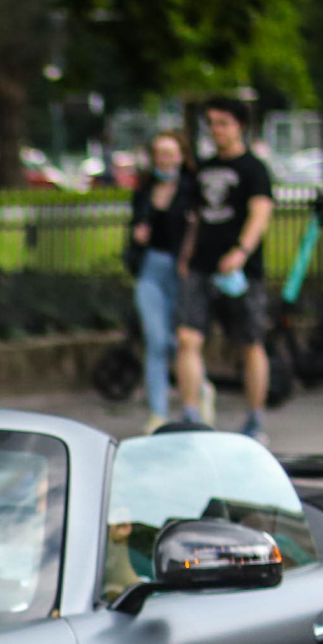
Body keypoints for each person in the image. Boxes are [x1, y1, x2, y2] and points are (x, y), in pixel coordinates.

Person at [172, 96, 274, 443]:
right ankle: (190, 414)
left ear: (240, 126)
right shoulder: (204, 167)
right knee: (188, 337)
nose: (216, 131)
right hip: (202, 264)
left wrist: (242, 251)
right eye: (212, 123)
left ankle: (255, 418)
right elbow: (197, 217)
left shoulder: (254, 169)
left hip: (240, 271)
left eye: (223, 123)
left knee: (249, 343)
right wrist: (186, 254)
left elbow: (260, 213)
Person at [127, 130, 194, 431]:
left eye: (170, 153)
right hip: (150, 268)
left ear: (181, 156)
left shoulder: (192, 190)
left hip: (180, 270)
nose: (164, 160)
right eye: (159, 154)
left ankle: (199, 388)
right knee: (155, 340)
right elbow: (135, 225)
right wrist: (137, 237)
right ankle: (158, 412)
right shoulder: (145, 190)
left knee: (180, 341)